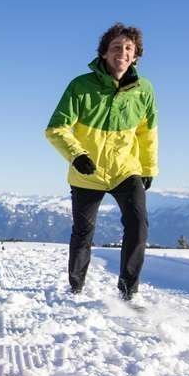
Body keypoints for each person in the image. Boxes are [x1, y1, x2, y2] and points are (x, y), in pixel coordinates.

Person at [44, 23, 158, 301]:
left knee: (138, 224)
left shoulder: (144, 90)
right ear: (104, 53)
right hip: (87, 171)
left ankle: (128, 290)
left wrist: (148, 168)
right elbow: (56, 128)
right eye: (116, 47)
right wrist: (77, 155)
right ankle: (76, 288)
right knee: (83, 231)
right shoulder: (80, 86)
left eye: (128, 48)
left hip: (125, 169)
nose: (122, 52)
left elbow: (148, 133)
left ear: (135, 56)